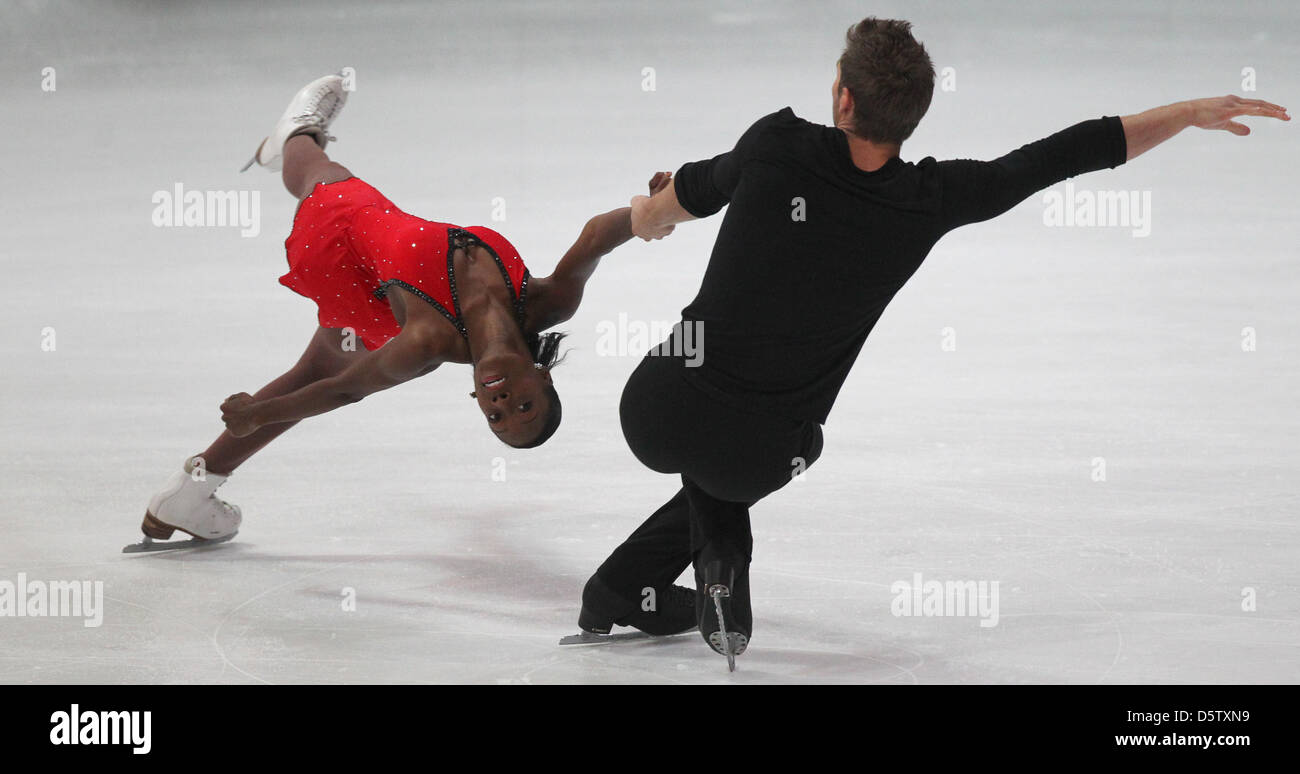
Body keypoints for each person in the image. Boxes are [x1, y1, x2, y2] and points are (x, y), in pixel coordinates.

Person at [577, 17, 1289, 669]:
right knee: (761, 446)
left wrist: (648, 217)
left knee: (713, 422)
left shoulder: (775, 144)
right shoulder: (932, 201)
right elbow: (1065, 154)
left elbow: (683, 198)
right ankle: (721, 559)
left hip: (653, 408)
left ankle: (623, 589)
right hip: (754, 457)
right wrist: (1188, 113)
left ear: (844, 99)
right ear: (909, 118)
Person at [137, 74, 664, 548]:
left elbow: (344, 392)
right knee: (316, 364)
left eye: (495, 415)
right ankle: (191, 491)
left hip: (341, 244)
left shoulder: (429, 342)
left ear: (476, 395)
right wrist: (652, 212)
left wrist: (257, 414)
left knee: (320, 174)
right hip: (378, 272)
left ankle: (295, 132)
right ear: (543, 377)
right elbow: (597, 237)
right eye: (523, 407)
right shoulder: (549, 302)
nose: (502, 401)